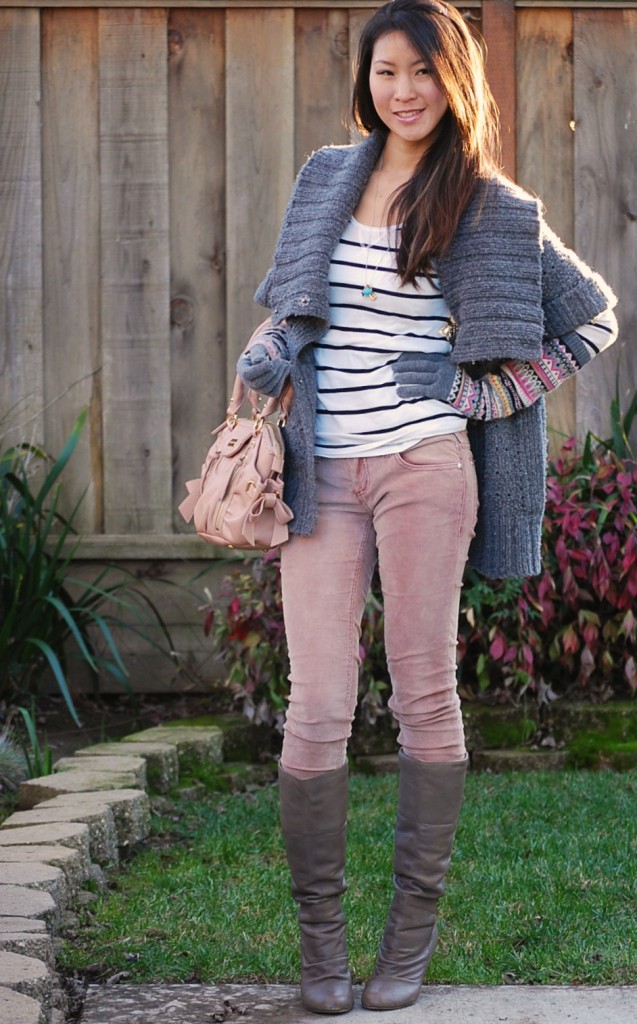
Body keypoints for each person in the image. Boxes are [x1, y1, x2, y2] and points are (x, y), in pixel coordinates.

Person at [237, 0, 618, 1014]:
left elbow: (595, 319)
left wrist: (488, 392)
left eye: (419, 72)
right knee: (316, 706)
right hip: (322, 469)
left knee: (422, 697)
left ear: (454, 81)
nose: (400, 91)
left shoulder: (492, 206)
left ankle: (406, 941)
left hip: (424, 469)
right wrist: (269, 352)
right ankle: (322, 947)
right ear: (366, 81)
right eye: (383, 72)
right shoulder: (328, 176)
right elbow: (294, 305)